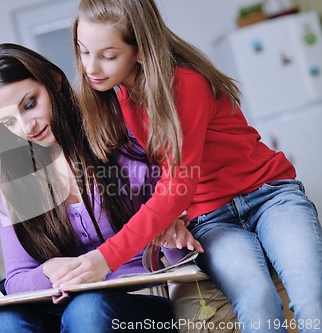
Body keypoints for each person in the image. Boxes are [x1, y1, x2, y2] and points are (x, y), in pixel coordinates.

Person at [48, 0, 322, 331]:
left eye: (108, 56)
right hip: (212, 219)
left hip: (270, 196)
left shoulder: (186, 84)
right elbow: (159, 178)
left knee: (311, 294)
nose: (91, 67)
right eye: (83, 51)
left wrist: (105, 258)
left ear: (141, 50)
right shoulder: (118, 102)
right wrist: (172, 217)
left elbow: (179, 184)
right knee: (256, 297)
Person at [0, 43, 202, 333]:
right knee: (3, 323)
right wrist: (48, 270)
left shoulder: (118, 138)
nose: (27, 128)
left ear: (54, 81)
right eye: (7, 122)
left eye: (30, 104)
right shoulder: (14, 185)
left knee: (88, 310)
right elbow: (16, 279)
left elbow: (178, 254)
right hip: (66, 308)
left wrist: (171, 237)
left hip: (134, 305)